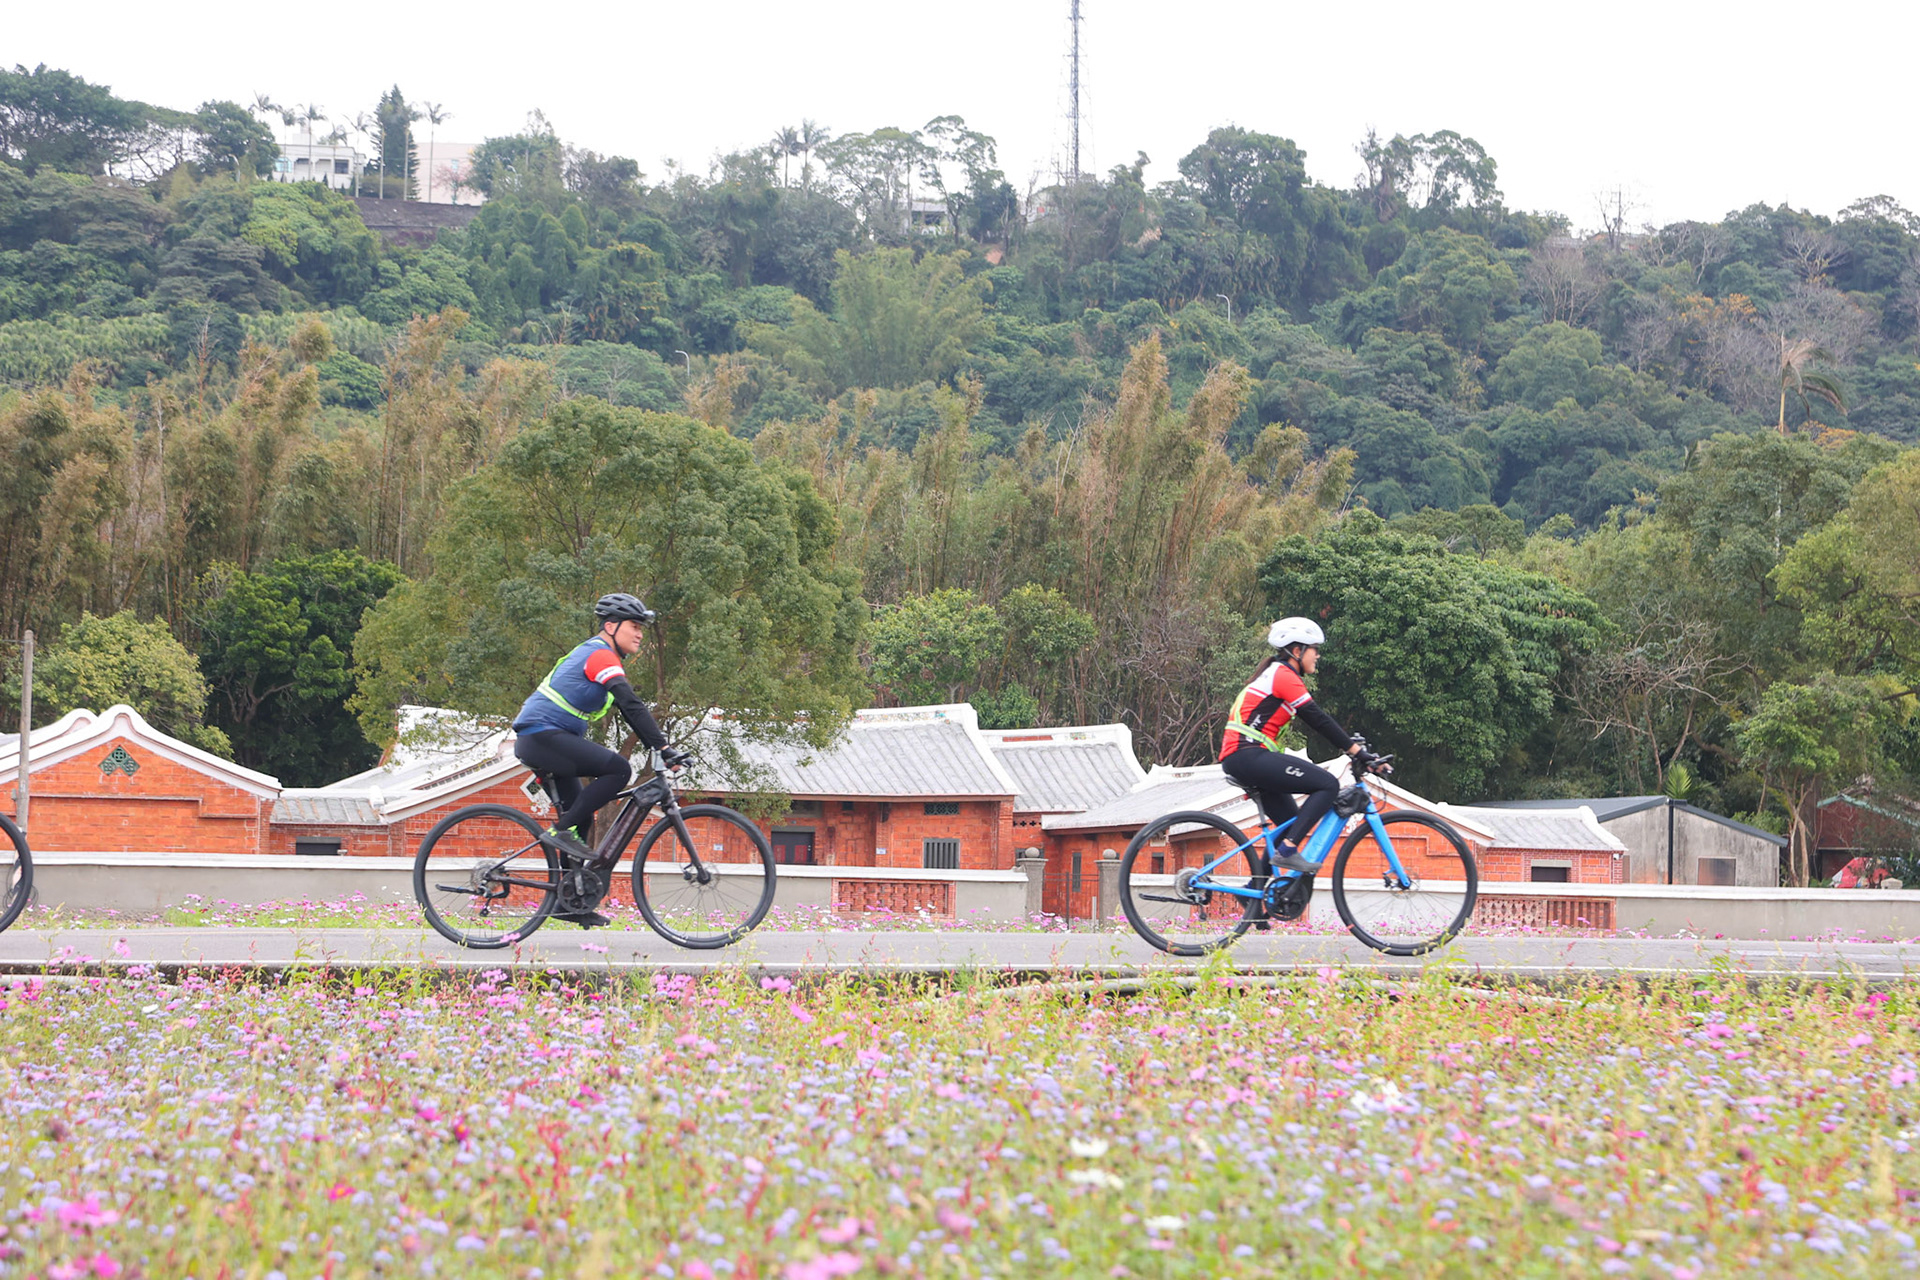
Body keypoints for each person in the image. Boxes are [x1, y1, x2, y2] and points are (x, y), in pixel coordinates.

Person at [512, 592, 688, 925]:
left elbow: (627, 711)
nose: (639, 634)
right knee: (618, 769)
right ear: (611, 626)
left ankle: (569, 903)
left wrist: (655, 743)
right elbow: (630, 703)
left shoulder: (603, 658)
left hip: (546, 740)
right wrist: (663, 748)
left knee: (582, 818)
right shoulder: (600, 654)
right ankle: (559, 831)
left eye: (641, 628)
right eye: (634, 626)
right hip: (541, 738)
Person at [1219, 617, 1373, 881]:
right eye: (1315, 649)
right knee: (1327, 785)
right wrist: (1355, 751)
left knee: (1290, 822)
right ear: (1297, 651)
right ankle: (1288, 851)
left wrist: (1353, 748)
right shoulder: (1283, 674)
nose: (1318, 655)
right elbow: (1317, 718)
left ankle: (1254, 902)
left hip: (1246, 757)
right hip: (1247, 755)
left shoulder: (1279, 675)